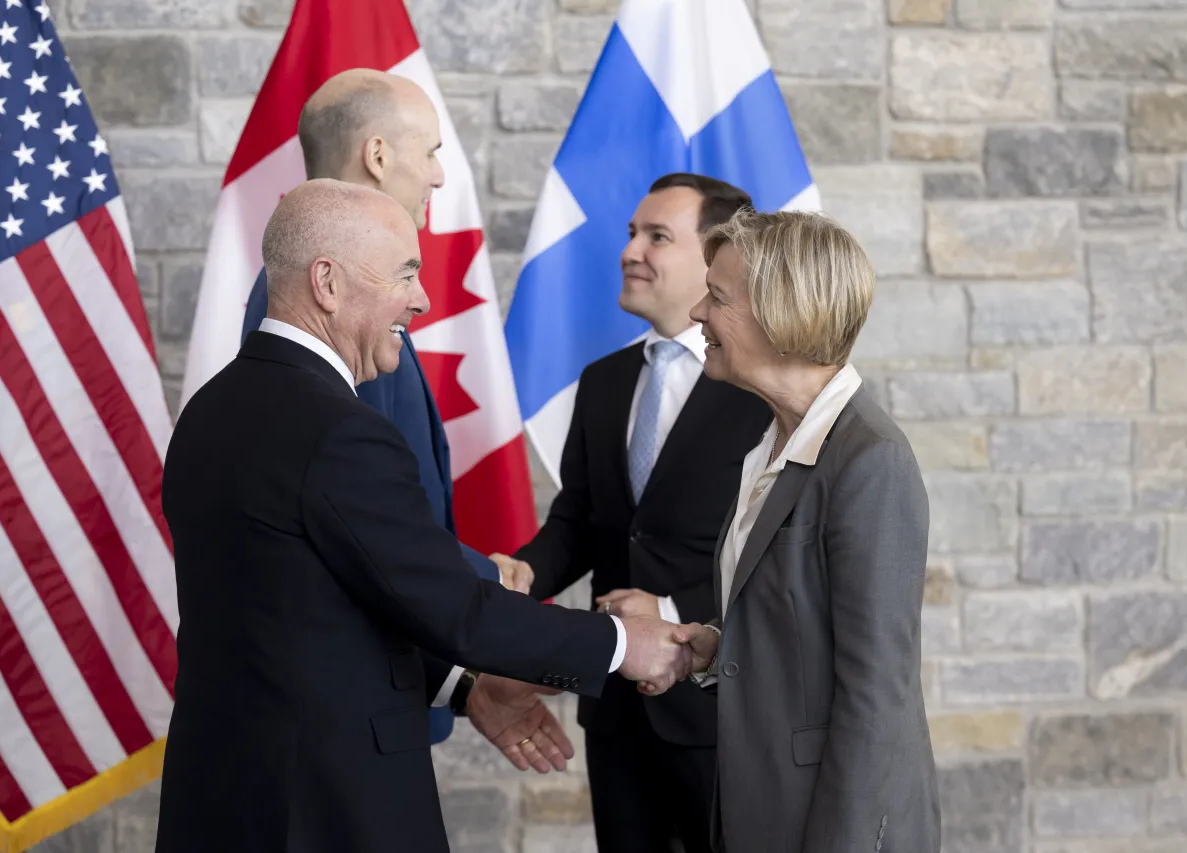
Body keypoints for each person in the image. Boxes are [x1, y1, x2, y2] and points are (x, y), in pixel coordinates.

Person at [158, 179, 698, 853]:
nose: (421, 298)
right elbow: (457, 609)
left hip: (220, 799)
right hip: (322, 809)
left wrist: (464, 688)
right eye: (405, 274)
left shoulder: (208, 412)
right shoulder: (337, 431)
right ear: (327, 281)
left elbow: (305, 612)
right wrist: (621, 642)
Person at [238, 69, 527, 745]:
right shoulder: (324, 310)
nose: (436, 178)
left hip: (384, 672)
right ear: (376, 155)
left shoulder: (342, 291)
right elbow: (359, 518)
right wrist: (484, 578)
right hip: (350, 703)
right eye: (429, 152)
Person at [490, 174, 771, 853]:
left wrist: (671, 613)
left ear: (717, 258)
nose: (630, 250)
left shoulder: (766, 390)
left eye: (657, 236)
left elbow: (778, 554)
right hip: (614, 712)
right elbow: (581, 519)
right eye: (630, 234)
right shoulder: (605, 381)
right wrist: (527, 569)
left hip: (720, 709)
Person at [681, 210, 940, 852]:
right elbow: (802, 633)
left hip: (830, 827)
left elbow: (876, 695)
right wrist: (717, 647)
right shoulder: (772, 441)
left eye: (716, 297)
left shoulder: (869, 460)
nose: (696, 313)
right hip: (760, 810)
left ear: (781, 313)